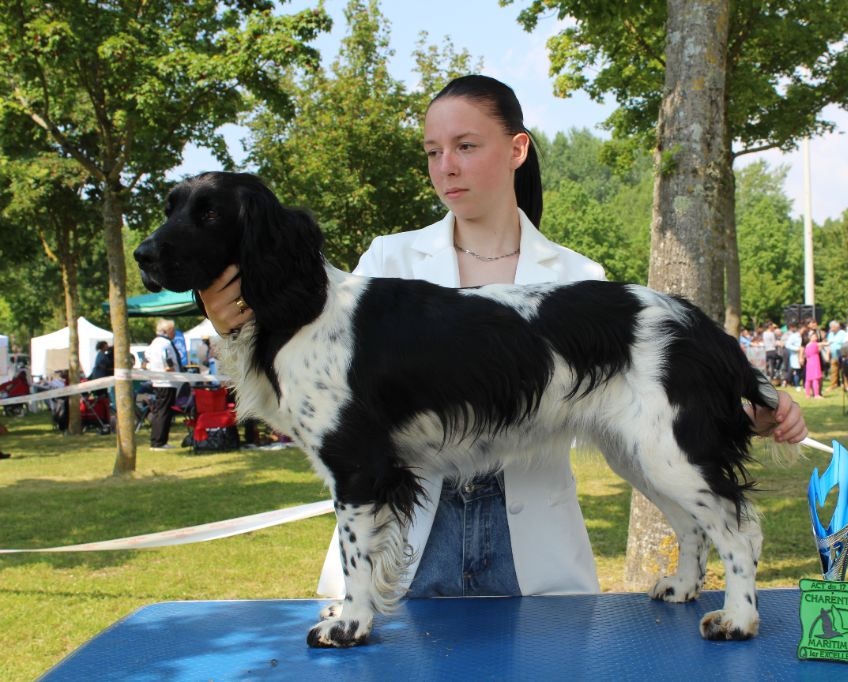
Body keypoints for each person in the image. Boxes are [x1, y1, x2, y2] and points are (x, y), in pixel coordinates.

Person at [199, 75, 809, 601]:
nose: (447, 167)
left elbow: (668, 427)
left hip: (532, 566)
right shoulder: (381, 265)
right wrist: (235, 326)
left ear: (518, 149)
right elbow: (319, 412)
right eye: (433, 152)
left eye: (466, 146)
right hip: (411, 557)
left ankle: (713, 569)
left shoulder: (581, 282)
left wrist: (746, 411)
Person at [144, 318, 181, 449]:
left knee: (159, 411)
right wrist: (168, 367)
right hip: (167, 381)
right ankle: (159, 442)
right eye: (173, 330)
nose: (174, 332)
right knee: (164, 412)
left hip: (158, 380)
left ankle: (157, 440)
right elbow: (168, 360)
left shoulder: (154, 343)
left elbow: (146, 359)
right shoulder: (165, 344)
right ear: (167, 331)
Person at [800, 329, 825, 399]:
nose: (816, 338)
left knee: (808, 379)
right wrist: (825, 343)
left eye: (816, 337)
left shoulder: (807, 345)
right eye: (814, 337)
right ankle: (816, 394)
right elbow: (821, 345)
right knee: (815, 379)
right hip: (815, 363)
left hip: (809, 364)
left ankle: (807, 394)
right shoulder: (814, 344)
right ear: (810, 337)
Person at [825, 320, 846, 391]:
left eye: (833, 327)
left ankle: (845, 385)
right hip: (833, 355)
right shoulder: (830, 334)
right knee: (833, 371)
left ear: (838, 327)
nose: (831, 329)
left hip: (842, 355)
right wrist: (828, 354)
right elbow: (828, 344)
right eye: (831, 327)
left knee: (844, 371)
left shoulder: (843, 333)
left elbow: (845, 344)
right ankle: (833, 385)